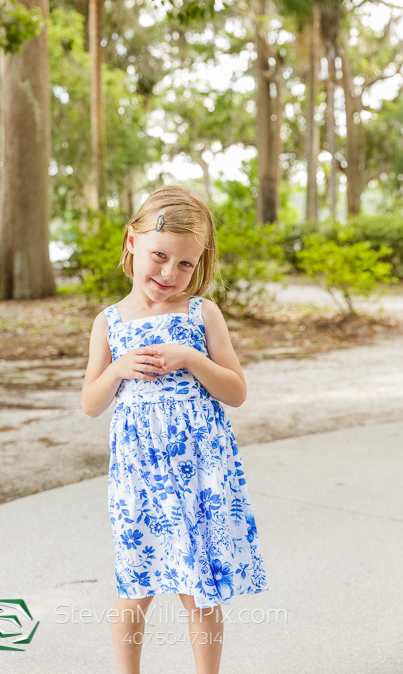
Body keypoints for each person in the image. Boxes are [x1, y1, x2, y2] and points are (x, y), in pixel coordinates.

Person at [81, 184, 268, 674]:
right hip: (139, 471)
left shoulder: (201, 313)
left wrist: (191, 357)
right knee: (134, 586)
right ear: (131, 243)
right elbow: (90, 403)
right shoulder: (109, 322)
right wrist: (118, 369)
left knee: (198, 588)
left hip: (200, 471)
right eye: (159, 256)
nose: (169, 273)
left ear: (200, 263)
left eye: (185, 264)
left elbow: (235, 390)